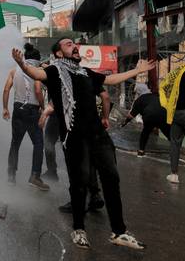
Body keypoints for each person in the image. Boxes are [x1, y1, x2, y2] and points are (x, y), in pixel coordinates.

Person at [12, 38, 154, 250]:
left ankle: (119, 232)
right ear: (59, 53)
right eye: (69, 44)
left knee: (112, 179)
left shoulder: (86, 72)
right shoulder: (53, 71)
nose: (74, 45)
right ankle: (79, 228)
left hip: (98, 135)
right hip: (75, 136)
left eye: (74, 44)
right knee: (79, 184)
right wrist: (22, 65)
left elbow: (111, 80)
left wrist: (136, 70)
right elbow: (36, 75)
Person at [2, 43, 49, 191]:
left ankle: (11, 176)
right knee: (38, 143)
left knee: (15, 143)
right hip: (32, 110)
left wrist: (5, 108)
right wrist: (42, 107)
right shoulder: (37, 70)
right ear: (38, 59)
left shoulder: (13, 70)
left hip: (18, 108)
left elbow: (6, 89)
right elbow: (37, 89)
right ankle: (35, 176)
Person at [159, 52, 185, 184]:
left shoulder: (176, 72)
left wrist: (166, 105)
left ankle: (174, 175)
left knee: (175, 144)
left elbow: (163, 86)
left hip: (176, 113)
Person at [124, 83, 170, 157]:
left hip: (149, 115)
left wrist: (124, 123)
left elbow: (131, 115)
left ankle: (141, 151)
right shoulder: (156, 96)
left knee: (145, 132)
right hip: (163, 115)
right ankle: (176, 150)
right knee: (169, 134)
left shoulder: (140, 99)